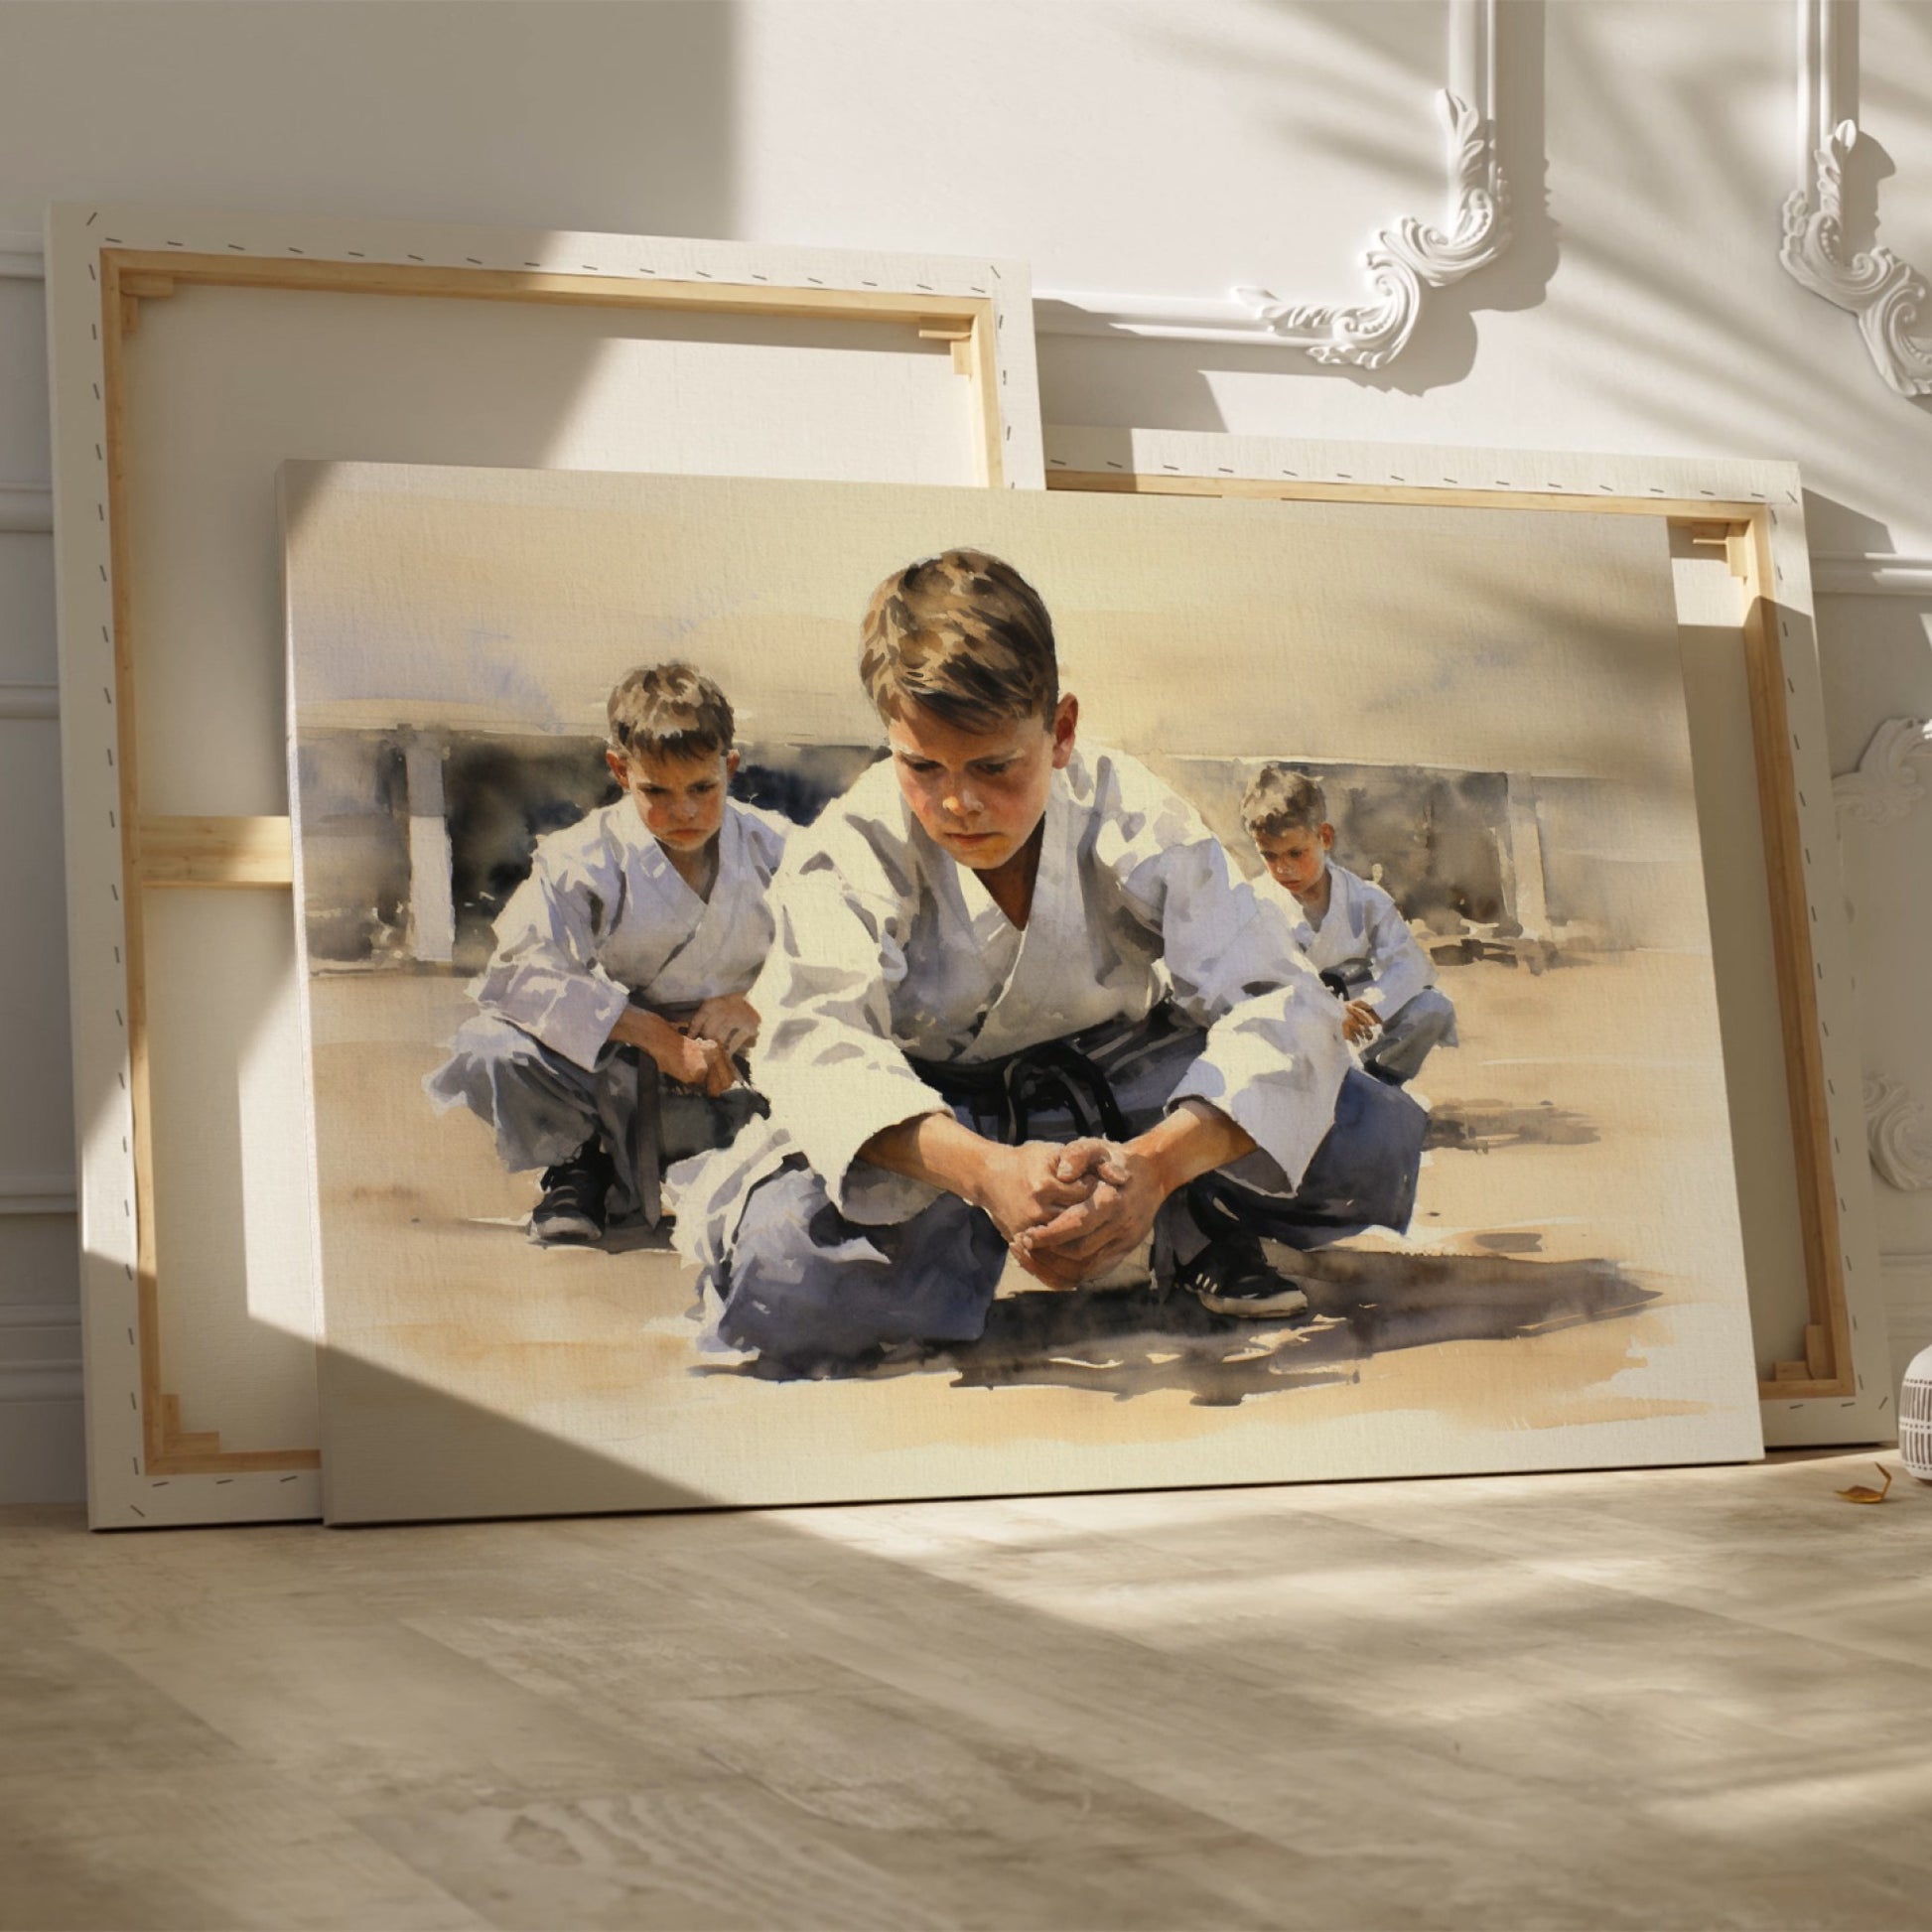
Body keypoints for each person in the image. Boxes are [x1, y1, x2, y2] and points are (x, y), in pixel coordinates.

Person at [668, 549, 1427, 1372]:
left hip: (1126, 1093)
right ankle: (997, 1237)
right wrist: (988, 1174)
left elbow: (1276, 997)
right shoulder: (853, 844)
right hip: (942, 1122)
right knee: (784, 1271)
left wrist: (1155, 1166)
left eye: (994, 766)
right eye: (923, 766)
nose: (958, 801)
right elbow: (817, 1043)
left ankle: (1185, 1214)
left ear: (1059, 731)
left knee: (1361, 1131)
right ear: (891, 742)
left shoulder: (1125, 807)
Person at [427, 662, 786, 1245]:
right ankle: (577, 1163)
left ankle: (756, 1171)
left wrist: (757, 1002)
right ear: (620, 771)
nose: (685, 811)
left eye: (703, 788)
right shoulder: (580, 855)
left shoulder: (777, 847)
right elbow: (518, 972)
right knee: (490, 1046)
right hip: (620, 1062)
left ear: (731, 767)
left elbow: (839, 950)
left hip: (740, 1060)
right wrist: (652, 1035)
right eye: (657, 792)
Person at [1241, 763, 1457, 1088]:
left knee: (1433, 1006)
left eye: (1296, 853)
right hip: (1293, 1032)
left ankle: (1377, 1085)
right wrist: (1326, 1017)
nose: (1283, 868)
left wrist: (1369, 1006)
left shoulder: (1365, 899)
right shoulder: (1253, 904)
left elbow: (1410, 965)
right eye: (1270, 856)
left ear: (1324, 837)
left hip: (1356, 1031)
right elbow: (1250, 987)